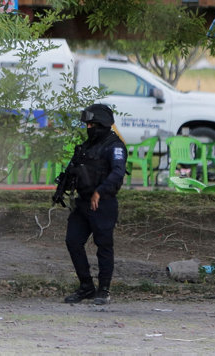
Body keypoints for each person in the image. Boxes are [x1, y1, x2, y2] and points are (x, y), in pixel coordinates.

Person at [63, 103, 127, 306]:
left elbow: (117, 172)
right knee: (73, 241)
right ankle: (86, 286)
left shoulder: (114, 146)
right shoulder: (87, 145)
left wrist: (100, 191)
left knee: (104, 246)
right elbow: (74, 168)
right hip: (82, 202)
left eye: (92, 124)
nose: (88, 128)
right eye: (87, 124)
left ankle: (104, 290)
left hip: (103, 204)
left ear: (101, 124)